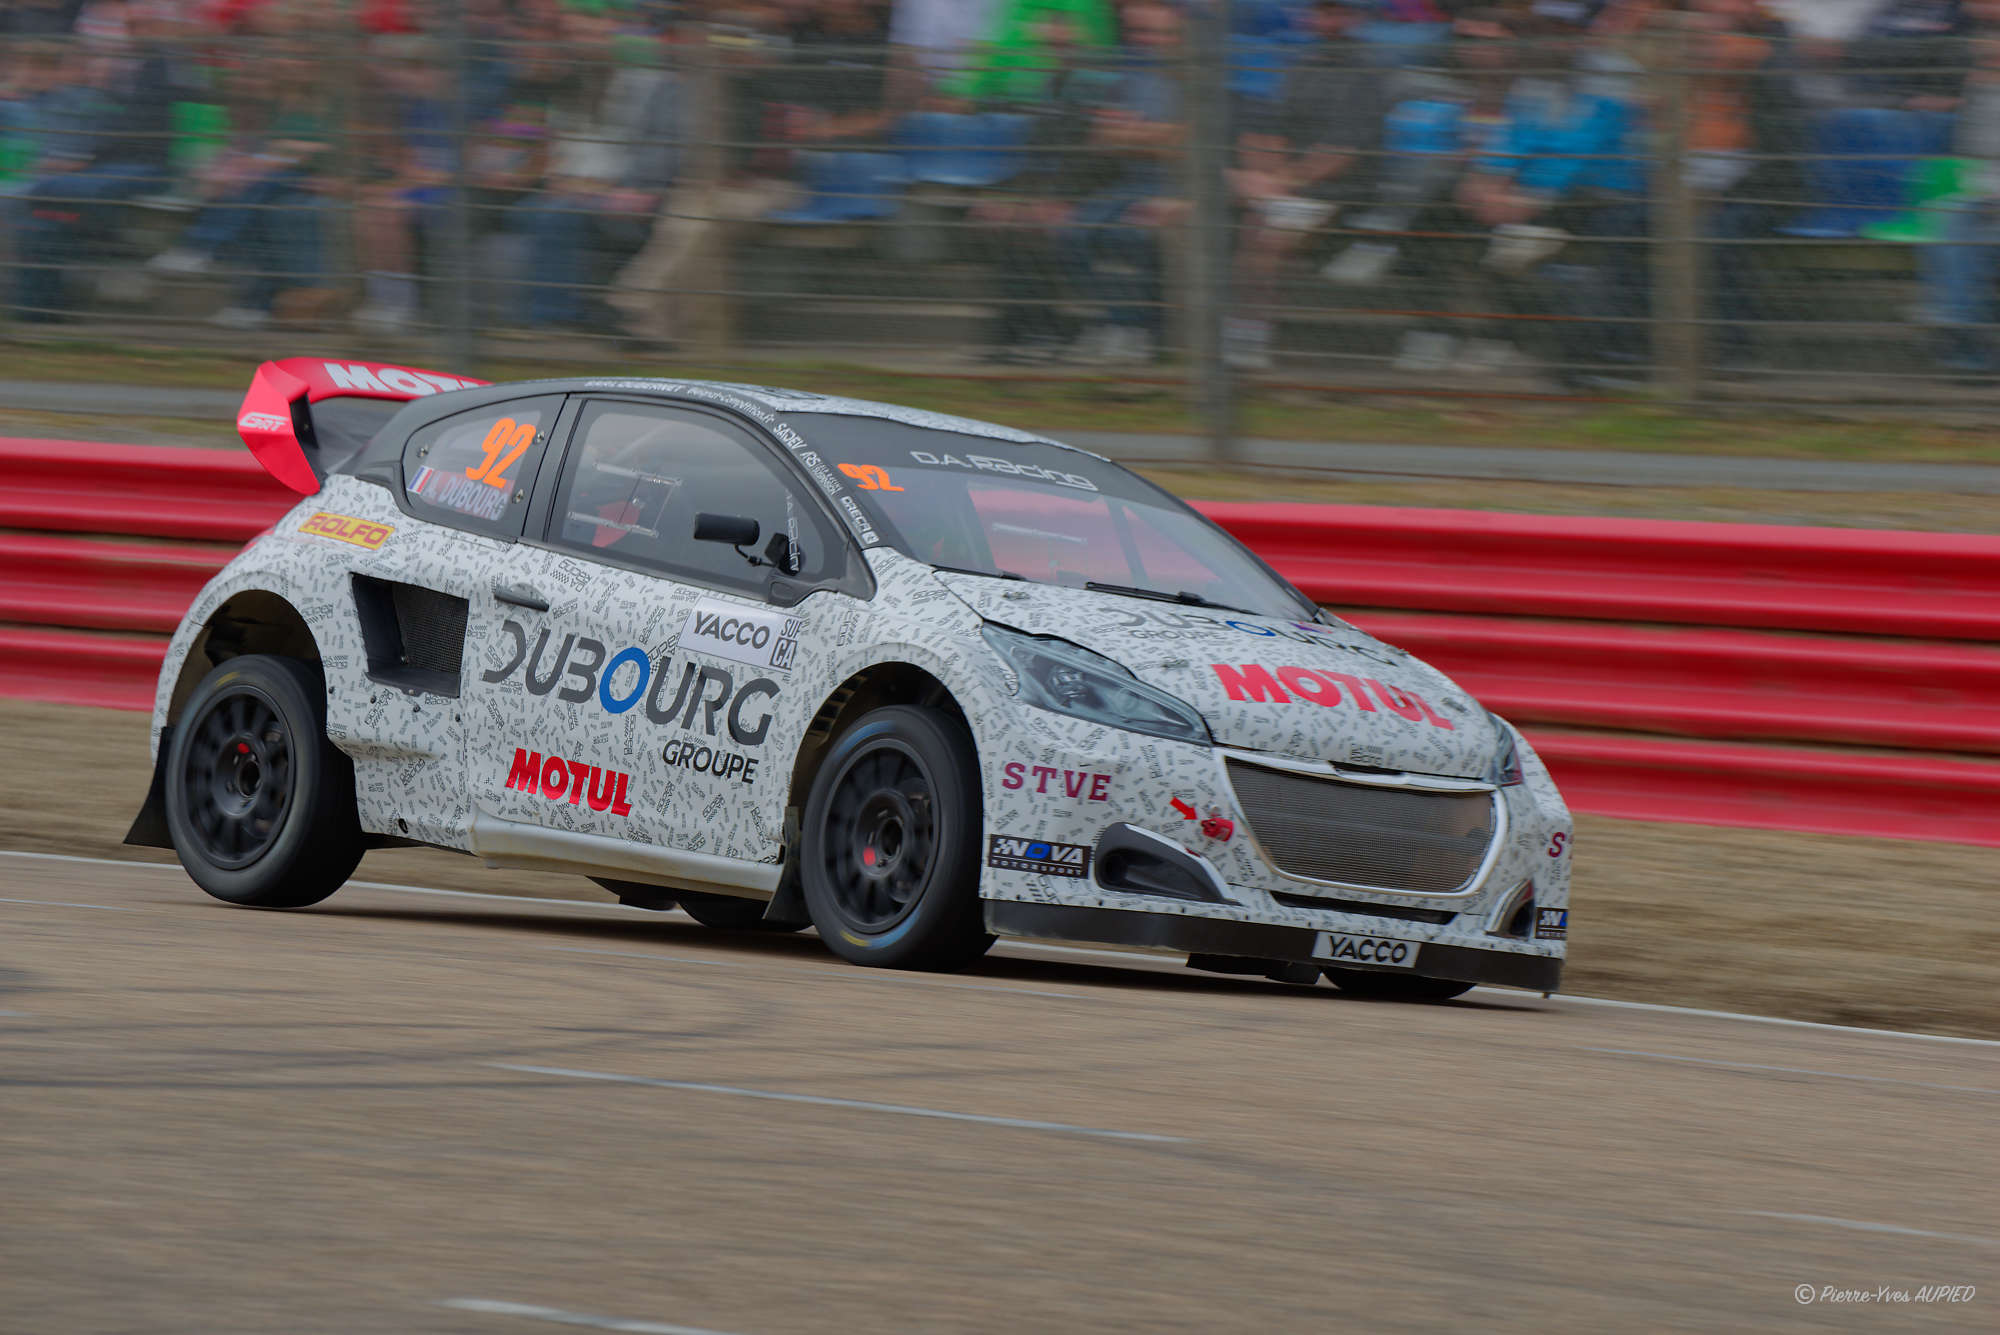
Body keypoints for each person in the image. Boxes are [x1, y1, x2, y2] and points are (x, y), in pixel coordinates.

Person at [1225, 0, 1386, 370]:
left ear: (1354, 18)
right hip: (1288, 188)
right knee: (1234, 216)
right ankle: (1235, 332)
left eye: (1333, 13)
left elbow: (1344, 152)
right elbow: (1270, 128)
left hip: (1343, 193)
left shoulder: (1366, 72)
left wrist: (1283, 181)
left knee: (1264, 235)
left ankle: (1248, 337)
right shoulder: (1303, 63)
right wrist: (1264, 174)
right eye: (1319, 12)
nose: (1323, 21)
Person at [145, 46, 334, 330]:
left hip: (313, 178)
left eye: (302, 60)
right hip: (274, 178)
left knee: (257, 185)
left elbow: (333, 148)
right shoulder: (277, 104)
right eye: (290, 60)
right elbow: (253, 148)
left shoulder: (330, 105)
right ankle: (252, 306)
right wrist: (228, 171)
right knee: (257, 213)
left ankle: (198, 248)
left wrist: (288, 152)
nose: (293, 66)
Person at [10, 4, 173, 319]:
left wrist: (69, 162)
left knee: (41, 210)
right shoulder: (24, 102)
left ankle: (36, 313)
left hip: (95, 174)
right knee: (42, 228)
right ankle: (43, 312)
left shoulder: (89, 98)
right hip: (59, 186)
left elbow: (83, 148)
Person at [1054, 0, 1188, 364]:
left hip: (1179, 188)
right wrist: (1151, 136)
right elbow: (1099, 136)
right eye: (1141, 32)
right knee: (1073, 232)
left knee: (1130, 234)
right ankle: (1117, 325)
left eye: (1159, 33)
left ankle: (1136, 333)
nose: (1148, 40)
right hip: (1130, 183)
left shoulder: (1191, 79)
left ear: (1178, 36)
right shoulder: (1129, 77)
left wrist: (1133, 134)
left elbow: (1188, 144)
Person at [1920, 0, 2000, 371]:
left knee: (1966, 230)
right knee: (1951, 221)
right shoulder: (1980, 96)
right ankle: (1963, 341)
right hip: (1983, 202)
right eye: (1983, 58)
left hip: (1990, 204)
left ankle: (1960, 334)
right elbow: (1967, 158)